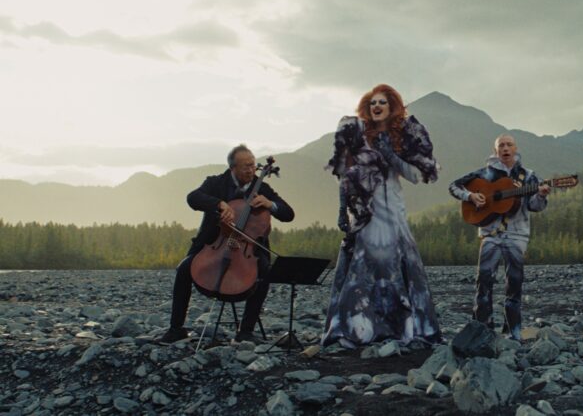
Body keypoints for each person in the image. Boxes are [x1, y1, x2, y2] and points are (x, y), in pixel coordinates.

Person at [322, 84, 443, 349]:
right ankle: (360, 329)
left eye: (382, 103)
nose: (376, 106)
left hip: (393, 210)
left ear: (392, 107)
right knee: (364, 269)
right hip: (366, 212)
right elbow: (344, 176)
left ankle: (400, 327)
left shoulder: (403, 137)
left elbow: (416, 176)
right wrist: (343, 209)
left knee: (396, 266)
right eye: (373, 103)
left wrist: (391, 155)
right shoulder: (357, 137)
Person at [158, 145, 294, 344]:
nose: (251, 170)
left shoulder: (262, 188)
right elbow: (192, 198)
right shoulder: (215, 183)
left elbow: (288, 214)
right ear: (232, 168)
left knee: (264, 272)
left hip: (249, 250)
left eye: (253, 165)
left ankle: (246, 331)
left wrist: (270, 204)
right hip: (214, 245)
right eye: (246, 166)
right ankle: (176, 328)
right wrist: (218, 204)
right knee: (184, 269)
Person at [448, 134, 550, 341]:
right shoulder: (484, 173)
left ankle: (513, 332)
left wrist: (541, 195)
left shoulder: (529, 176)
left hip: (517, 234)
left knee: (514, 282)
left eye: (509, 145)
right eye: (501, 145)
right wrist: (470, 196)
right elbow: (454, 186)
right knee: (484, 280)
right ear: (495, 151)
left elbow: (534, 206)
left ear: (515, 148)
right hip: (490, 234)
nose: (505, 148)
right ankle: (482, 329)